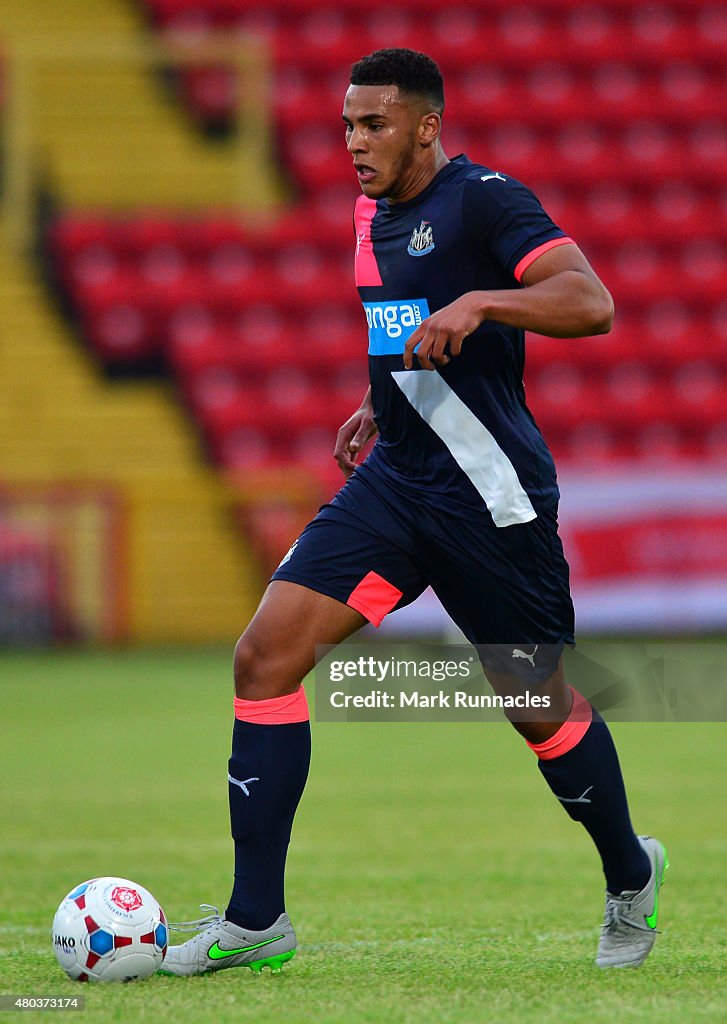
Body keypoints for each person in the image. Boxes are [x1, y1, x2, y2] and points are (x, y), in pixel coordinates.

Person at [162, 48, 667, 977]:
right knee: (265, 656)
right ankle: (255, 920)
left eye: (375, 124)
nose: (354, 142)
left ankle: (629, 873)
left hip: (491, 496)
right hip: (398, 479)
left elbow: (590, 303)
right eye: (348, 124)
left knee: (535, 702)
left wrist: (483, 300)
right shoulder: (368, 214)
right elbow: (394, 318)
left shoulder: (485, 200)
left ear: (426, 124)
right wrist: (378, 397)